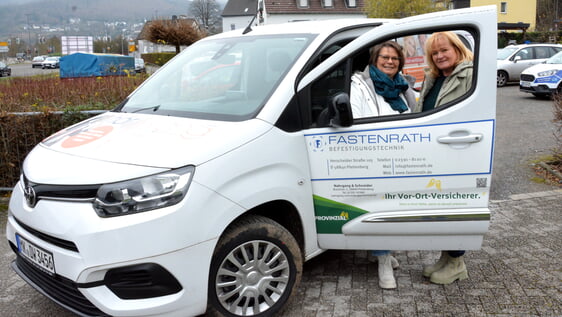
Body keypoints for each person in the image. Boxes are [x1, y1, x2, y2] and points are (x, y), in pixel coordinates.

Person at [350, 41, 416, 289]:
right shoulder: (360, 85)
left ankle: (382, 251)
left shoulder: (403, 87)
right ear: (374, 60)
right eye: (384, 57)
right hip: (374, 156)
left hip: (401, 157)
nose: (389, 62)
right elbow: (354, 120)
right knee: (379, 210)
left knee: (393, 210)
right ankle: (383, 261)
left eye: (394, 58)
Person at [416, 31, 473, 284]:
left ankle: (457, 263)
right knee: (441, 209)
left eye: (444, 50)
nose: (439, 56)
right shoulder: (434, 78)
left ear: (457, 49)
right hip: (434, 153)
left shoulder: (469, 74)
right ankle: (446, 257)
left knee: (454, 209)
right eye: (434, 52)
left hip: (456, 153)